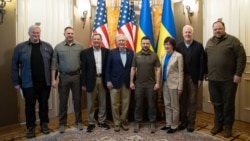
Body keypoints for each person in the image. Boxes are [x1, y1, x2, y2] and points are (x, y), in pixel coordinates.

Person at [205, 20, 246, 138]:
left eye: (220, 28)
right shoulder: (209, 42)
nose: (217, 31)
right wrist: (206, 72)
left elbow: (241, 57)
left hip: (228, 80)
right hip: (213, 80)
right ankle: (218, 125)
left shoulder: (233, 41)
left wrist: (238, 74)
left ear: (224, 28)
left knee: (228, 104)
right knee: (216, 104)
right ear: (213, 30)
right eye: (215, 29)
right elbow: (206, 58)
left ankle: (228, 127)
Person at [11, 25, 53, 138]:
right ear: (29, 33)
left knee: (44, 105)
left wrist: (54, 79)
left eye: (38, 33)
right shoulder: (20, 48)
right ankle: (30, 127)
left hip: (44, 83)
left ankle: (44, 124)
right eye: (33, 33)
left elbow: (53, 65)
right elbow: (14, 66)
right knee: (30, 106)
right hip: (28, 83)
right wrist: (16, 82)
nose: (36, 35)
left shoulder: (47, 47)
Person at [51, 26, 85, 133]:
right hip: (64, 77)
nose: (70, 35)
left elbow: (84, 64)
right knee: (63, 101)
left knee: (77, 101)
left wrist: (84, 79)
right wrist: (54, 79)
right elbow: (54, 65)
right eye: (68, 33)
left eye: (72, 33)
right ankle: (62, 123)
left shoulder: (80, 46)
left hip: (77, 77)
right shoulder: (58, 47)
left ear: (74, 34)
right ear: (64, 34)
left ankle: (79, 122)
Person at [175, 25, 205, 132]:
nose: (187, 34)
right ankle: (183, 121)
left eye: (189, 32)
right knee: (182, 101)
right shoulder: (178, 46)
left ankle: (191, 123)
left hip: (194, 78)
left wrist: (200, 78)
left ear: (192, 33)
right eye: (186, 32)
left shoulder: (199, 46)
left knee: (192, 101)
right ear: (183, 34)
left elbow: (202, 63)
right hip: (181, 77)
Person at [130, 36, 161, 134]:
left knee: (152, 105)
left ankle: (152, 122)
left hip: (151, 85)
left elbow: (158, 69)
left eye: (147, 43)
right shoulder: (136, 55)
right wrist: (131, 81)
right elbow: (133, 69)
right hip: (139, 84)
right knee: (138, 104)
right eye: (143, 43)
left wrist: (158, 82)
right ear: (141, 44)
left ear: (149, 44)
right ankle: (137, 122)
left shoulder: (154, 55)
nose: (145, 45)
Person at [81, 33, 110, 133]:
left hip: (103, 79)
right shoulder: (85, 52)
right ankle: (91, 122)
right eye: (95, 39)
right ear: (92, 40)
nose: (97, 41)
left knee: (103, 102)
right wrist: (83, 83)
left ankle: (101, 121)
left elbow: (108, 68)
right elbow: (83, 69)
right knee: (90, 103)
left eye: (98, 39)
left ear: (101, 40)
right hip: (90, 80)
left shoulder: (106, 52)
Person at [105, 34, 134, 132]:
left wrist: (132, 81)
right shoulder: (112, 52)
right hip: (114, 82)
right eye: (119, 41)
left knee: (126, 103)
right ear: (117, 42)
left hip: (126, 82)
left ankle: (123, 121)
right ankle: (116, 123)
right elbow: (107, 68)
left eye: (123, 41)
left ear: (126, 42)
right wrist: (108, 80)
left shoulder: (131, 52)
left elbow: (132, 68)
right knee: (115, 104)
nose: (121, 42)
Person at [160, 37, 184, 134]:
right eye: (165, 44)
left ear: (173, 45)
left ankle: (174, 126)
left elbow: (180, 72)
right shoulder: (163, 55)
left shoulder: (178, 56)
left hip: (174, 85)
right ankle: (168, 124)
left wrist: (180, 86)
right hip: (165, 83)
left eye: (169, 44)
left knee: (175, 106)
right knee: (167, 105)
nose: (167, 46)